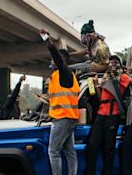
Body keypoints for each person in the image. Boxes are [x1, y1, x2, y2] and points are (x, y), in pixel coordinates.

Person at [85, 55, 132, 175]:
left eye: (116, 62)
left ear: (119, 65)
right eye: (111, 62)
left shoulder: (123, 77)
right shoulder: (105, 78)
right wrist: (96, 84)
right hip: (101, 114)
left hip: (113, 115)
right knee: (92, 146)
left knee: (109, 148)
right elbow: (101, 99)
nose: (113, 64)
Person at [40, 29, 79, 175]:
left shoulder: (65, 72)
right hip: (68, 117)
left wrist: (48, 40)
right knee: (70, 152)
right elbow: (60, 97)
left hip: (63, 118)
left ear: (60, 61)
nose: (51, 61)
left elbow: (57, 57)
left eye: (53, 60)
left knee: (53, 151)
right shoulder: (61, 76)